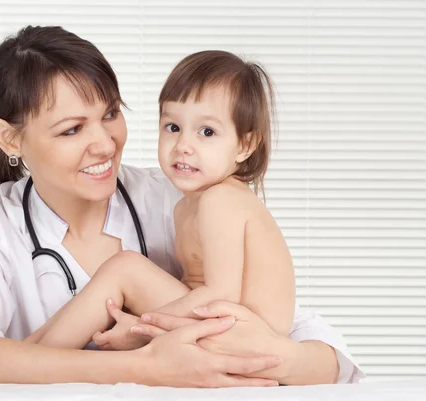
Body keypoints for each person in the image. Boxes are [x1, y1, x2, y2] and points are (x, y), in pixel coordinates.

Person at [0, 25, 364, 386]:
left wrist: (277, 360)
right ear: (9, 137)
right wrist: (146, 365)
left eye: (110, 114)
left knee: (124, 269)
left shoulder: (178, 194)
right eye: (71, 129)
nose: (104, 144)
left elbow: (312, 347)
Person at [33, 50, 296, 353]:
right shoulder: (186, 204)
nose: (183, 146)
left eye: (207, 132)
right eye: (173, 127)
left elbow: (220, 295)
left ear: (245, 145)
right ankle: (24, 352)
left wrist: (144, 327)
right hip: (224, 327)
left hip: (247, 336)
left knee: (125, 268)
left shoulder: (221, 201)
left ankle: (28, 361)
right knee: (124, 270)